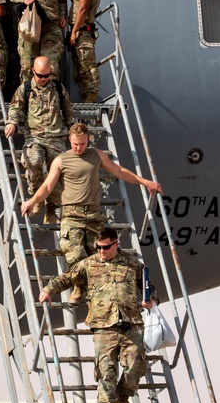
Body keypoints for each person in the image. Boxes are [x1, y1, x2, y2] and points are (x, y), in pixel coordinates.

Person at [21, 122, 162, 301]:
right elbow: (48, 186)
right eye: (75, 144)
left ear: (88, 139)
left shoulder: (96, 155)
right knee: (75, 254)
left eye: (82, 144)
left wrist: (145, 182)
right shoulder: (61, 160)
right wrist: (32, 201)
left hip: (93, 216)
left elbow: (119, 171)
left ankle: (97, 294)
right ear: (69, 140)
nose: (78, 148)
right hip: (71, 215)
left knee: (99, 257)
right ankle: (80, 286)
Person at [38, 227, 153, 403]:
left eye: (106, 247)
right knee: (105, 369)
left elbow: (149, 285)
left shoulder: (132, 264)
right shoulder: (89, 264)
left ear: (116, 244)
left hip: (131, 323)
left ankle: (123, 401)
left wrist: (150, 299)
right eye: (98, 247)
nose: (101, 251)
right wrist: (48, 291)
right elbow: (67, 277)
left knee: (135, 365)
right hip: (103, 325)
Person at [5, 56, 74, 223]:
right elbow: (16, 107)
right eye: (40, 75)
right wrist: (12, 122)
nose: (43, 79)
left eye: (47, 76)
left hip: (56, 137)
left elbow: (68, 109)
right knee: (33, 162)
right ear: (33, 71)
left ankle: (52, 208)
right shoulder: (25, 88)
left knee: (56, 173)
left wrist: (73, 131)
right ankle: (38, 197)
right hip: (35, 137)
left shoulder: (58, 88)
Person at [68, 0, 102, 103]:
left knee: (87, 67)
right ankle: (85, 99)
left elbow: (83, 9)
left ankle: (91, 98)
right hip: (83, 31)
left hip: (82, 32)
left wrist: (74, 31)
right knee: (80, 69)